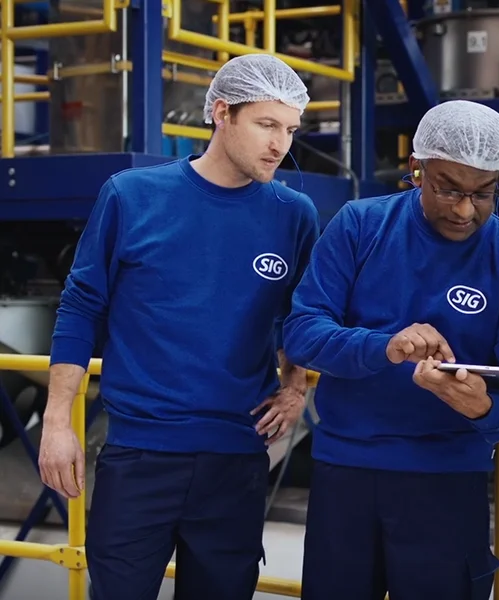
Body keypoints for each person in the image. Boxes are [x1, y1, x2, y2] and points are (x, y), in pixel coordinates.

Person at [37, 54, 320, 600]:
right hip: (140, 455)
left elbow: (302, 314)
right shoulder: (132, 196)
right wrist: (55, 423)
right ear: (221, 113)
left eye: (289, 129)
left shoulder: (294, 213)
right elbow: (80, 308)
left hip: (237, 457)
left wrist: (295, 383)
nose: (279, 145)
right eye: (266, 124)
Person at [282, 99, 499, 600]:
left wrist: (489, 407)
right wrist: (385, 347)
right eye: (449, 189)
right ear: (416, 169)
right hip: (348, 471)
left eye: (484, 194)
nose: (466, 209)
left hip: (447, 481)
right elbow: (301, 332)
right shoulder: (359, 226)